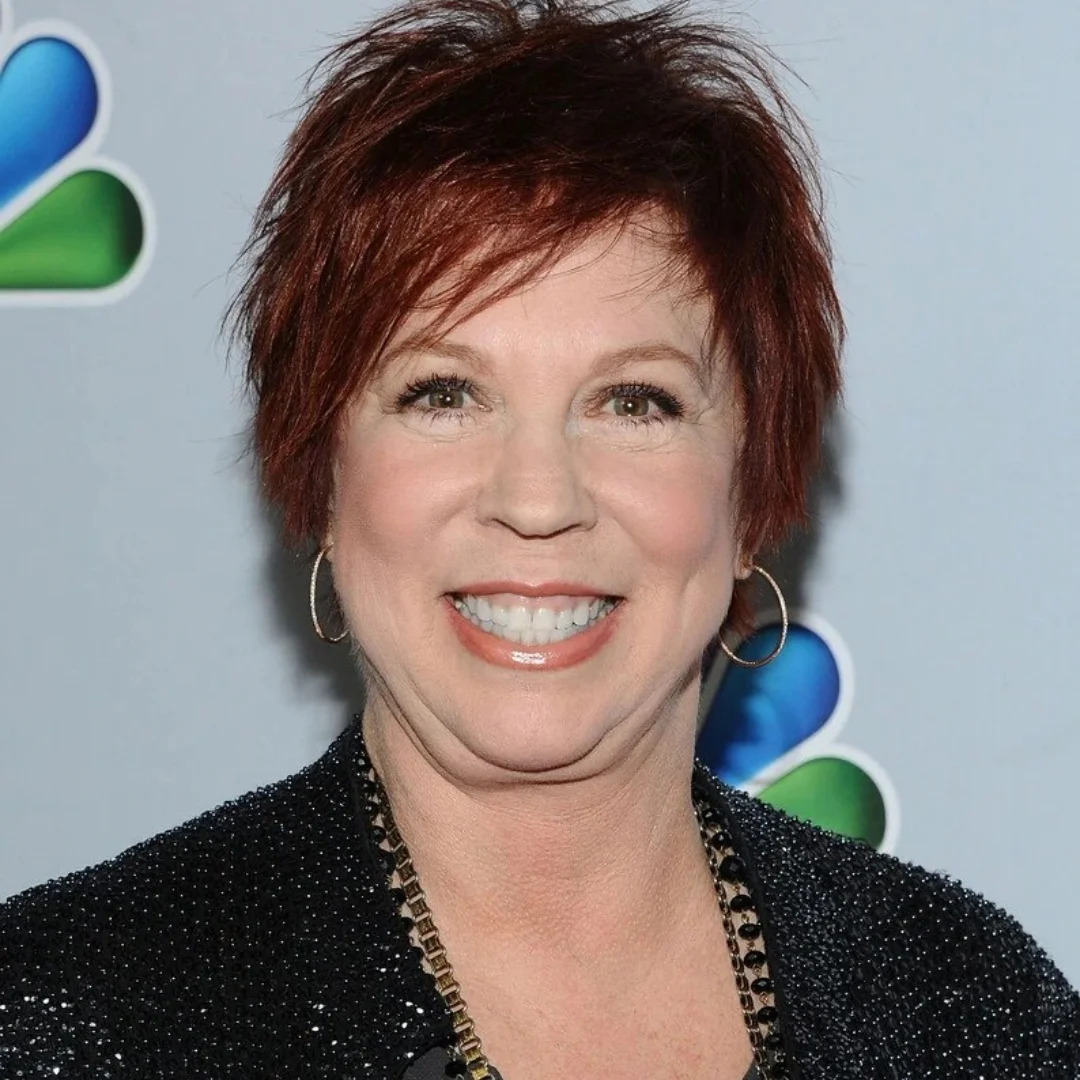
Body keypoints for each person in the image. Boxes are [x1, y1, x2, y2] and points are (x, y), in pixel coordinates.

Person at [1, 0, 1076, 1076]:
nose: (536, 496)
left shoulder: (966, 1004)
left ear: (752, 498)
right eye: (444, 392)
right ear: (320, 474)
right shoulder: (74, 1011)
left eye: (635, 402)